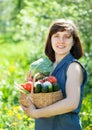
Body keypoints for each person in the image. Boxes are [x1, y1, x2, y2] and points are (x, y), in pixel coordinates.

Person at [20, 19, 87, 130]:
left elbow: (72, 103)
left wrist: (36, 113)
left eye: (67, 36)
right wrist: (30, 89)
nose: (61, 41)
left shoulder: (73, 67)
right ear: (50, 40)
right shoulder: (47, 67)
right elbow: (42, 100)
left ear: (74, 41)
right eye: (56, 36)